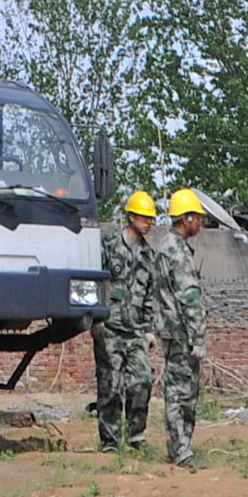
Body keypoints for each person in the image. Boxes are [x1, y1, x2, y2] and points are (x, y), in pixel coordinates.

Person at [91, 189, 165, 453]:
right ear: (131, 217)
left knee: (142, 381)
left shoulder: (148, 256)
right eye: (145, 217)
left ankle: (136, 437)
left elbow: (148, 296)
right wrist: (95, 319)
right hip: (109, 327)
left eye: (151, 219)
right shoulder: (109, 246)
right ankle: (110, 442)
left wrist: (148, 331)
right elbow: (96, 283)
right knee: (110, 386)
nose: (149, 223)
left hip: (134, 331)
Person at [153, 187, 214, 467]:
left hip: (172, 330)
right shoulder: (176, 251)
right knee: (181, 392)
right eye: (197, 218)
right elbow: (188, 296)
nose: (200, 223)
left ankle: (183, 447)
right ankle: (181, 451)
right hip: (181, 334)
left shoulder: (167, 247)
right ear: (186, 219)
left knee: (184, 391)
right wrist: (198, 337)